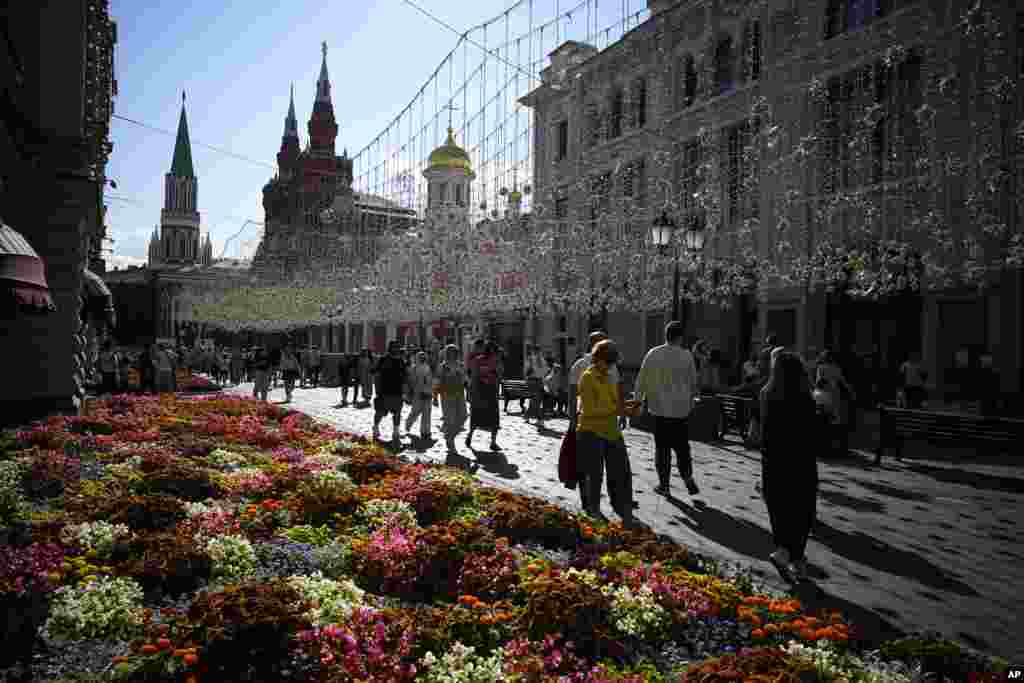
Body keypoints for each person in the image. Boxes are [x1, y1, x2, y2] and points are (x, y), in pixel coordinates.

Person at [761, 351, 819, 582]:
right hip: (801, 462)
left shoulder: (767, 395)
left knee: (779, 508)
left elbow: (765, 432)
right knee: (801, 511)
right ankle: (795, 557)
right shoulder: (806, 398)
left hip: (773, 461)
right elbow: (813, 434)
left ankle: (786, 552)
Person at [576, 340, 642, 527]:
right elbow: (589, 410)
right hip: (591, 431)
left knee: (621, 471)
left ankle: (622, 507)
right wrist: (619, 411)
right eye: (608, 361)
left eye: (612, 362)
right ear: (597, 358)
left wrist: (627, 407)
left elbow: (612, 404)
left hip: (611, 431)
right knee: (594, 474)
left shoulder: (608, 375)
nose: (611, 366)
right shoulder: (588, 377)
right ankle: (593, 510)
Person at [634, 321, 700, 497]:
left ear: (666, 335)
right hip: (681, 410)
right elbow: (694, 382)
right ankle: (687, 477)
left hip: (659, 409)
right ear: (680, 337)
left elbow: (641, 380)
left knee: (662, 448)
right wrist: (693, 400)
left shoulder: (653, 354)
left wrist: (637, 402)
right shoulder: (687, 356)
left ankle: (664, 485)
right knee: (682, 447)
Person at [569, 331, 623, 430]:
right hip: (588, 421)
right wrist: (572, 419)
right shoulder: (580, 366)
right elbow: (573, 394)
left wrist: (622, 413)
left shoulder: (612, 366)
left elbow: (617, 390)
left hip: (609, 420)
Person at [465, 339, 503, 451]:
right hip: (488, 391)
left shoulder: (478, 360)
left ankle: (470, 436)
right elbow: (499, 375)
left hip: (480, 391)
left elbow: (474, 376)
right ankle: (493, 442)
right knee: (493, 418)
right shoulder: (494, 361)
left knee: (477, 416)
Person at [816, 351, 855, 454]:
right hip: (834, 394)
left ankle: (825, 444)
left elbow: (818, 381)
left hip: (823, 393)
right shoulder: (837, 368)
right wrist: (851, 392)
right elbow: (843, 382)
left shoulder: (821, 367)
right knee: (835, 419)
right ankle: (836, 445)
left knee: (824, 418)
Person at [372, 341, 409, 446]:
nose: (396, 349)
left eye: (397, 348)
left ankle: (396, 432)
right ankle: (375, 427)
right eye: (394, 348)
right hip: (384, 391)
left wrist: (405, 391)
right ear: (390, 349)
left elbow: (405, 376)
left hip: (397, 391)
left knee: (397, 413)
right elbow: (375, 372)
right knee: (380, 412)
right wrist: (377, 389)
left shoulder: (401, 361)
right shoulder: (383, 359)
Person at [434, 344, 468, 454]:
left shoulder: (461, 365)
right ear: (447, 354)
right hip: (446, 395)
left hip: (459, 395)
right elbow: (437, 382)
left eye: (455, 352)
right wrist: (435, 396)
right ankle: (451, 441)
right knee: (450, 420)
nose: (452, 354)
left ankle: (449, 436)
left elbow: (465, 380)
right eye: (450, 352)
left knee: (463, 416)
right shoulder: (442, 366)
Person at [405, 351, 435, 442]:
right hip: (418, 393)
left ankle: (425, 431)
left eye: (423, 357)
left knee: (427, 413)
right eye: (420, 357)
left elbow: (430, 380)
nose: (422, 358)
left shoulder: (428, 367)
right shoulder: (413, 368)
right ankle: (408, 424)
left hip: (427, 392)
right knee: (416, 411)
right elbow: (411, 381)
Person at [524, 344, 550, 428]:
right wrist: (531, 372)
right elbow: (526, 372)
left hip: (539, 381)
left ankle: (528, 415)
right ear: (533, 351)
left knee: (535, 400)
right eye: (536, 351)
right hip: (533, 381)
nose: (537, 353)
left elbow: (546, 371)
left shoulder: (542, 360)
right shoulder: (531, 359)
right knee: (537, 400)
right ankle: (540, 419)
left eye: (538, 351)